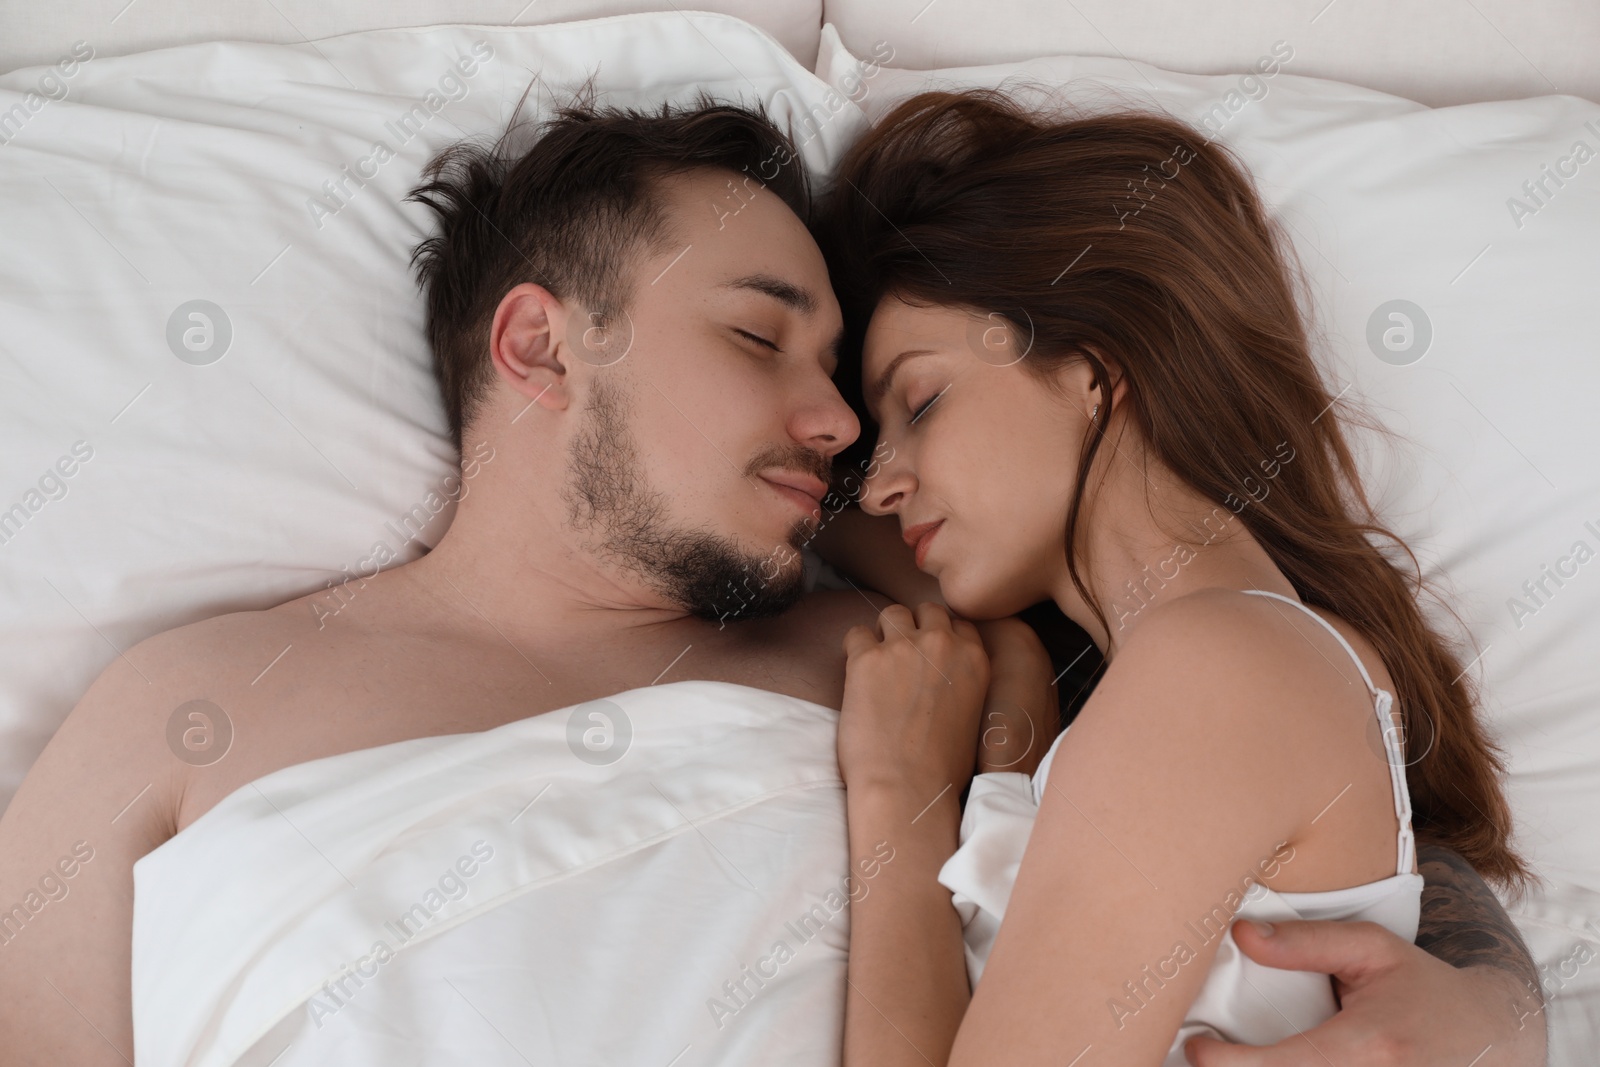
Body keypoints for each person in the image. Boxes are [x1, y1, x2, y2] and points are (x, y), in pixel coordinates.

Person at [0, 91, 1539, 1064]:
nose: (839, 432)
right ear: (539, 342)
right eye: (756, 337)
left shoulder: (932, 642)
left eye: (877, 393)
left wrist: (1490, 1001)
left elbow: (1288, 832)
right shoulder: (172, 711)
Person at [809, 88, 1548, 1066]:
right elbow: (794, 509)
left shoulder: (1218, 663)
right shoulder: (1202, 666)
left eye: (923, 398)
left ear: (1097, 367)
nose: (880, 488)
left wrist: (898, 803)